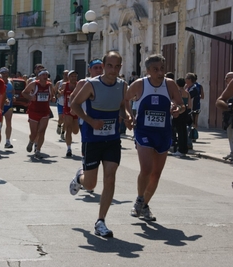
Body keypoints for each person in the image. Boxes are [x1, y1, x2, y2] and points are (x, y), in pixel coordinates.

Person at [69, 51, 128, 238]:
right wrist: (90, 120)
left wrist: (126, 117)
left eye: (117, 66)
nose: (113, 70)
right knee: (90, 184)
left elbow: (122, 105)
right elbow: (74, 104)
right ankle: (80, 177)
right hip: (92, 139)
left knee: (110, 177)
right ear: (103, 66)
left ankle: (101, 221)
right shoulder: (91, 85)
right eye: (109, 66)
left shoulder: (122, 85)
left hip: (112, 139)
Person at [124, 54, 185, 221]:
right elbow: (126, 100)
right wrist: (130, 116)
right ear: (148, 70)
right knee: (146, 169)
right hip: (144, 131)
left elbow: (181, 105)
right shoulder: (140, 84)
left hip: (164, 133)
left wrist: (177, 109)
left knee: (156, 173)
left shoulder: (170, 84)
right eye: (156, 69)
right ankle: (139, 199)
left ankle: (144, 205)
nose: (160, 72)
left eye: (162, 69)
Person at [22, 69, 56, 158]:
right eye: (43, 75)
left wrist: (53, 98)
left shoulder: (49, 85)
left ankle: (38, 150)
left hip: (45, 112)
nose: (45, 76)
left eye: (46, 75)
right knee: (34, 133)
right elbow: (24, 93)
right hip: (34, 111)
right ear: (39, 76)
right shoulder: (34, 84)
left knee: (42, 132)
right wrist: (30, 97)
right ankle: (31, 141)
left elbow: (52, 95)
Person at [59, 70, 80, 157]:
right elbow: (59, 94)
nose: (73, 78)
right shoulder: (65, 85)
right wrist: (59, 93)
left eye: (75, 76)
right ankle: (68, 148)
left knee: (75, 131)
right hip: (67, 109)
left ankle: (69, 142)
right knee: (68, 128)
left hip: (77, 110)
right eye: (72, 76)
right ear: (68, 77)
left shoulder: (79, 85)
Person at [171, 78, 192, 157]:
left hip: (178, 112)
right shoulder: (187, 93)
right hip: (185, 113)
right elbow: (189, 105)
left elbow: (176, 103)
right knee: (183, 131)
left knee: (178, 131)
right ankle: (184, 148)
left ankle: (180, 149)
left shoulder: (178, 92)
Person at [216, 72, 233, 160]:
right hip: (230, 116)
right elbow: (219, 101)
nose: (226, 80)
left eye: (227, 78)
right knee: (230, 133)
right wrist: (229, 107)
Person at [0, 67, 15, 149]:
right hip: (0, 106)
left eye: (6, 73)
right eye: (2, 73)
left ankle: (8, 141)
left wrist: (13, 97)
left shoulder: (11, 82)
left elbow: (13, 92)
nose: (4, 75)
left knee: (9, 123)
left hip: (9, 106)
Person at [54, 70, 69, 139]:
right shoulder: (59, 83)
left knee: (66, 119)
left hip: (68, 104)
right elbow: (55, 91)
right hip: (60, 103)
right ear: (63, 75)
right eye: (65, 74)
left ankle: (63, 133)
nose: (66, 76)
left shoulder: (71, 83)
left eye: (67, 74)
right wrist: (58, 94)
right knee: (61, 118)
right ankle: (59, 125)